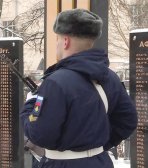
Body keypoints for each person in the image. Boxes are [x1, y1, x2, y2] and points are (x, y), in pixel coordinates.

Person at [20, 9, 137, 168]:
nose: (58, 44)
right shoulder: (110, 77)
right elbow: (127, 121)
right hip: (100, 162)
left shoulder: (55, 82)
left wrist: (30, 104)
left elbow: (40, 135)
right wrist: (96, 145)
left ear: (66, 41)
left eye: (58, 39)